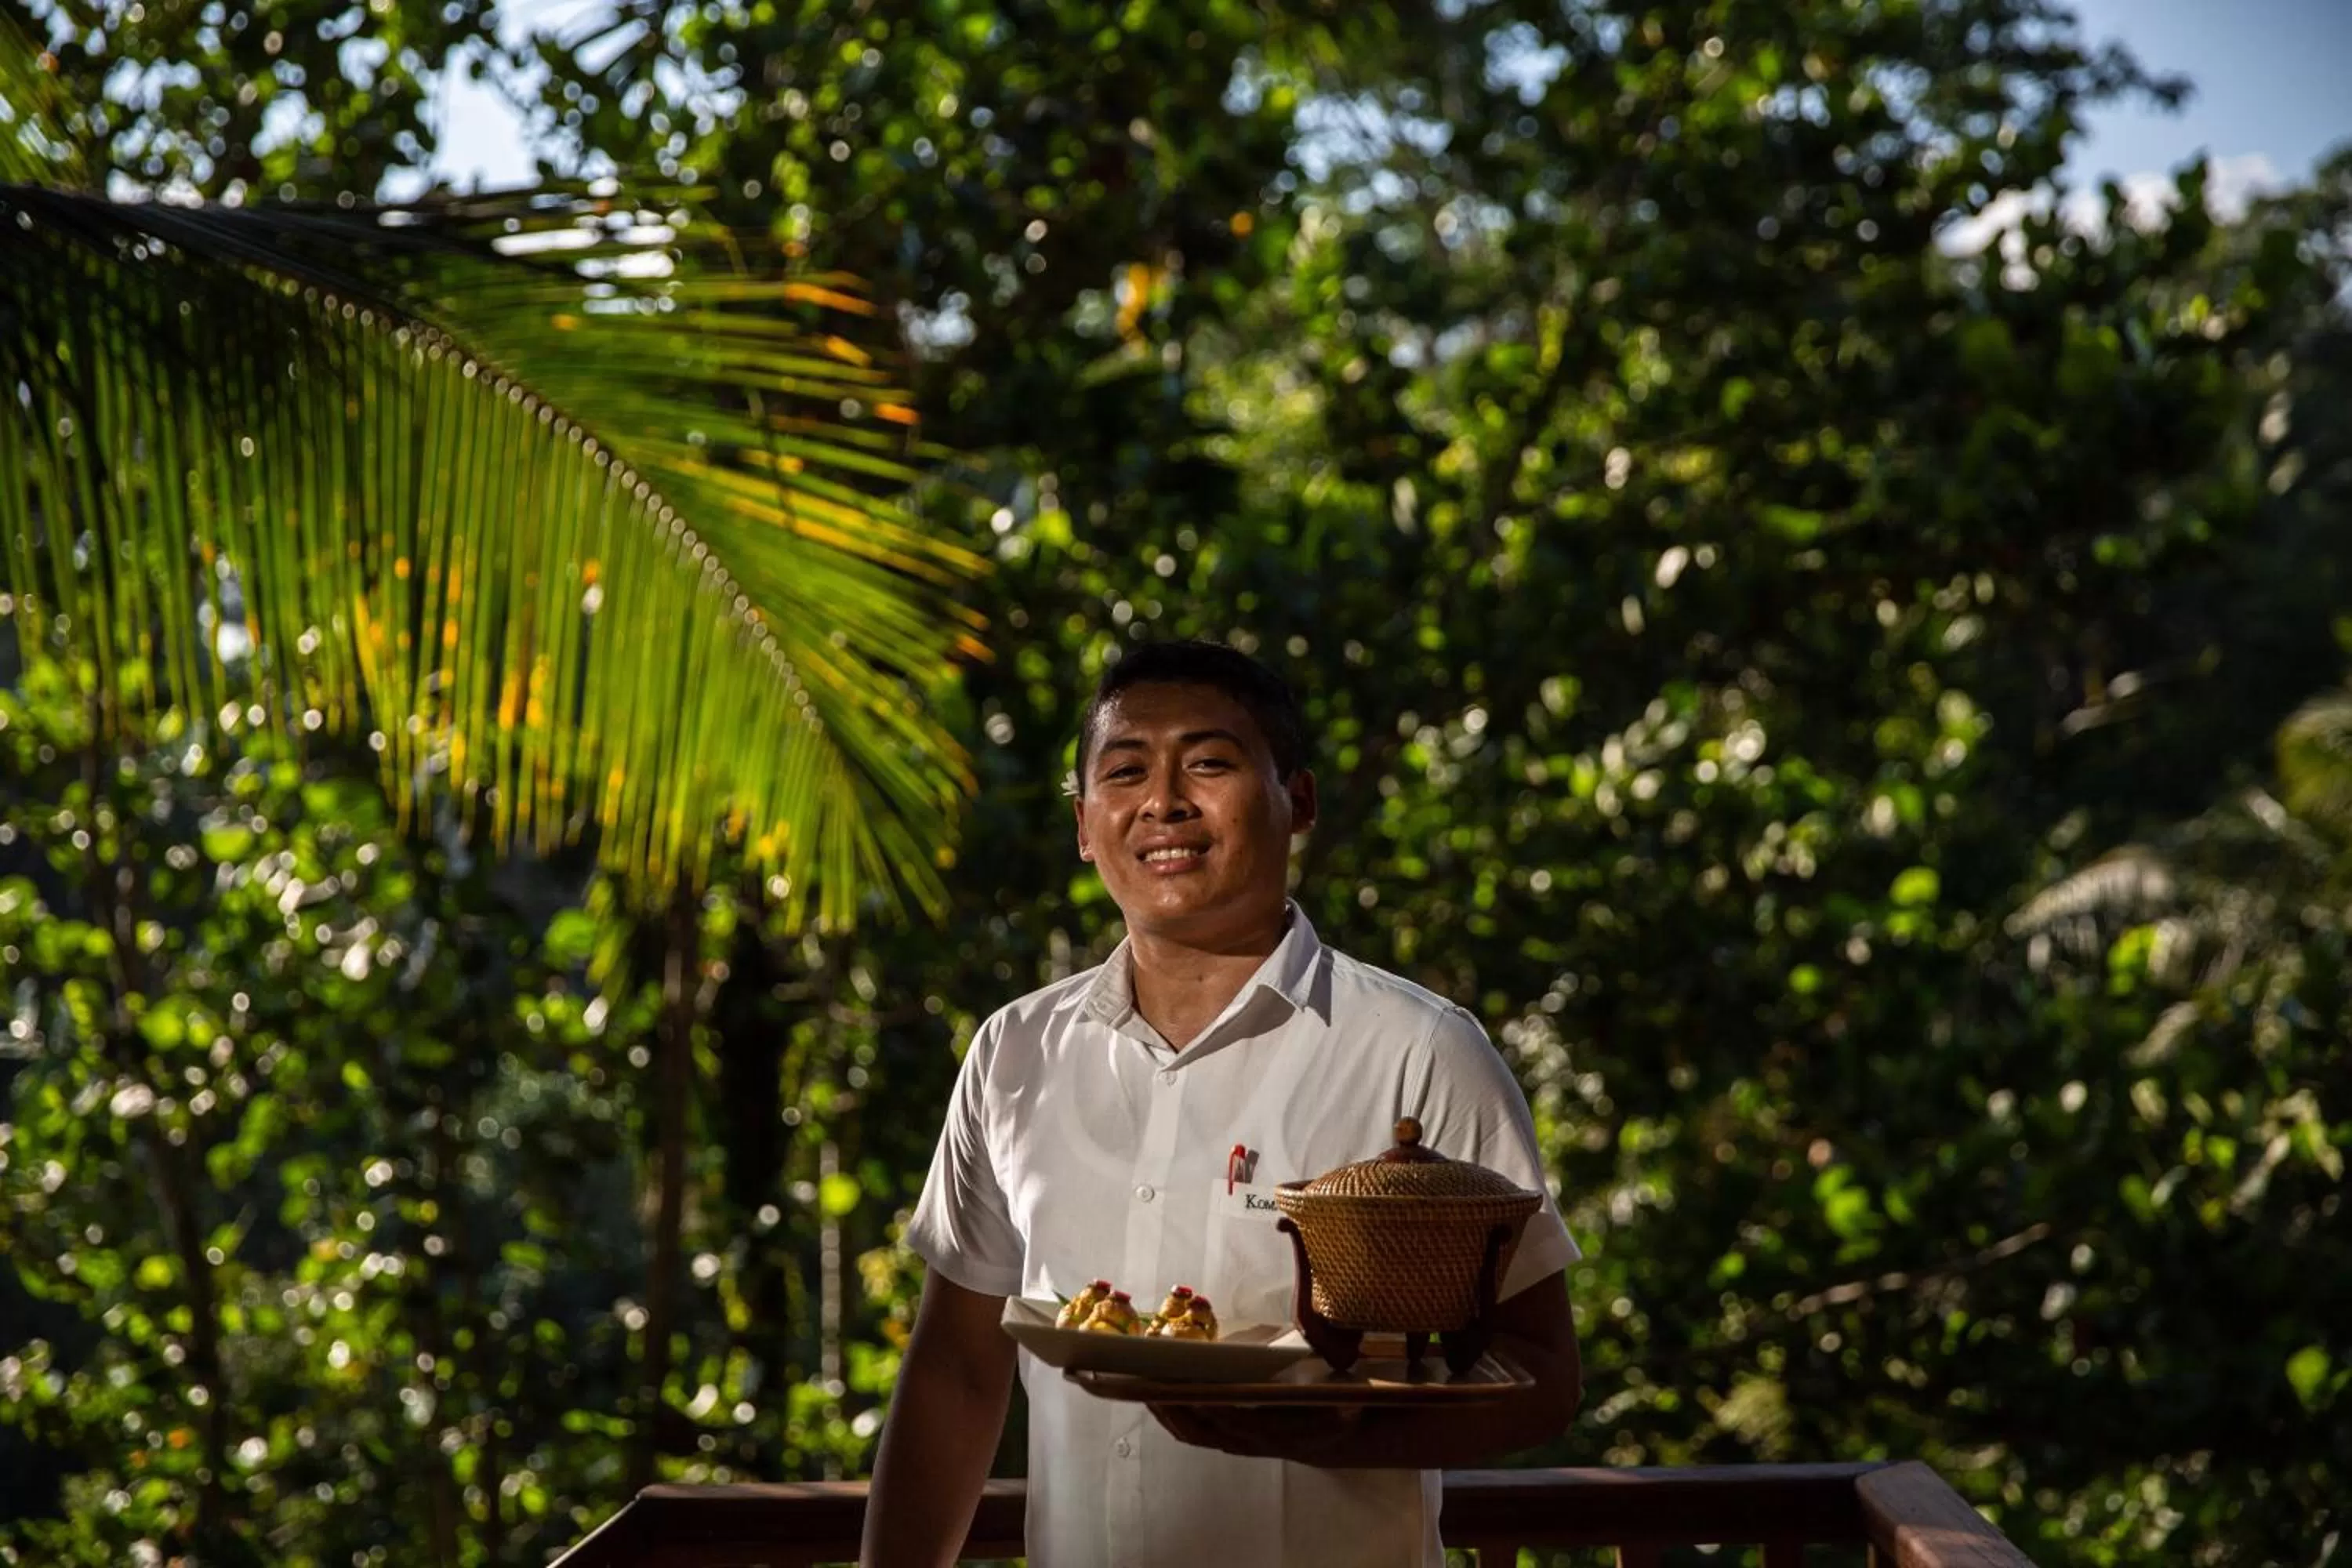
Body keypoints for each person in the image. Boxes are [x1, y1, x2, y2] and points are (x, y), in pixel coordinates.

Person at [860, 639, 1582, 1568]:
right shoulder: (1015, 1052)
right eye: (1126, 770)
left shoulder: (1418, 1050)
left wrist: (1328, 1434)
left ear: (1300, 802)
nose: (1163, 801)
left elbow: (1544, 1375)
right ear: (1086, 825)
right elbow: (957, 1371)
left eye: (1209, 762)